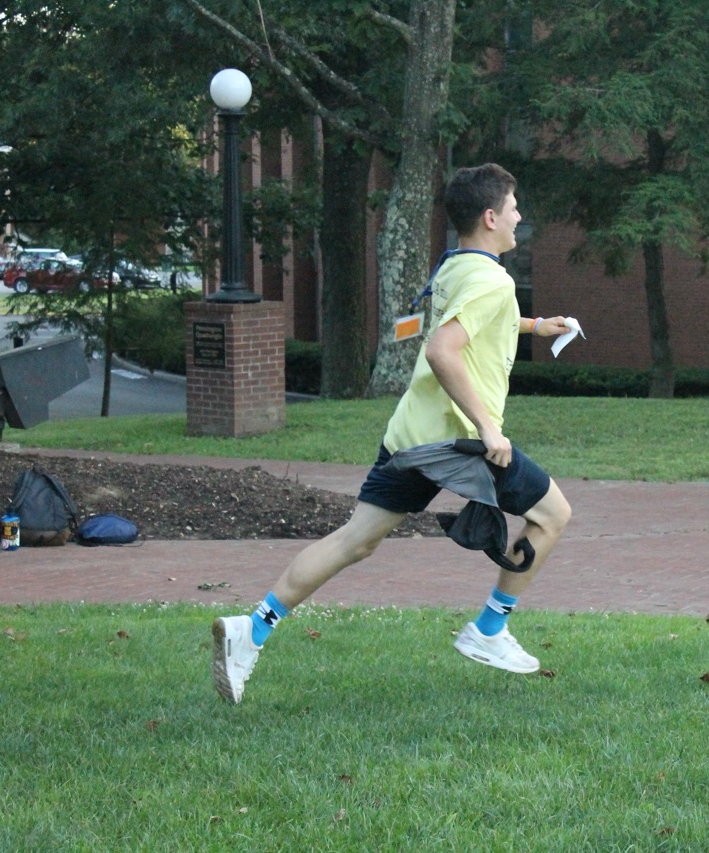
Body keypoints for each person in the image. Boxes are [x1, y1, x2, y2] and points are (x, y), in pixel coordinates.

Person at [211, 163, 575, 704]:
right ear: (490, 216)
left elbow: (464, 319)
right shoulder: (493, 280)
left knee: (355, 541)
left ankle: (252, 629)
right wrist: (487, 426)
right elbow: (442, 350)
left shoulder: (456, 265)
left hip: (410, 435)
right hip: (455, 441)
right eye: (514, 208)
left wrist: (535, 326)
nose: (520, 217)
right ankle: (489, 629)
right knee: (552, 515)